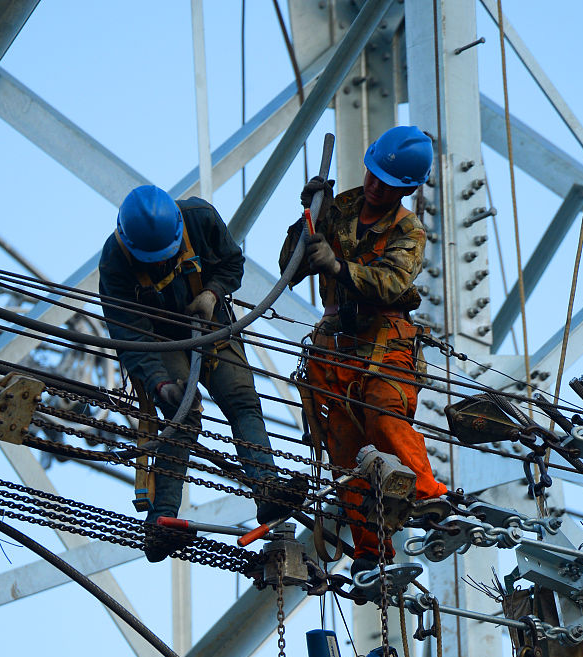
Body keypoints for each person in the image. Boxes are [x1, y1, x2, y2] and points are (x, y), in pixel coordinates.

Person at [99, 185, 307, 561]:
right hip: (161, 343)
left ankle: (267, 489)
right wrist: (160, 384)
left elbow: (231, 263)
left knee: (242, 399)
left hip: (210, 321)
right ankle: (160, 520)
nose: (160, 265)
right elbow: (128, 336)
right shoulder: (116, 262)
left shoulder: (199, 219)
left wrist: (212, 292)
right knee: (184, 417)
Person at [280, 125, 449, 576]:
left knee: (383, 412)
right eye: (372, 175)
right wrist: (306, 220)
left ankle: (431, 498)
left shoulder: (407, 230)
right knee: (343, 447)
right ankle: (371, 550)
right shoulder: (342, 207)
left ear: (406, 188)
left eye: (386, 183)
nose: (374, 187)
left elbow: (393, 281)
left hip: (384, 338)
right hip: (334, 343)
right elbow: (288, 269)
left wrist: (337, 265)